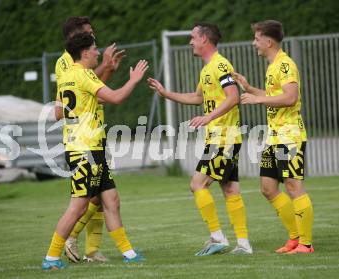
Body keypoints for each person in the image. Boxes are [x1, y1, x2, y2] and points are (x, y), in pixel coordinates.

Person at [42, 32, 148, 270]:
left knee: (111, 199)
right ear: (85, 52)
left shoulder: (66, 77)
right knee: (78, 205)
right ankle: (51, 257)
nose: (98, 52)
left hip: (88, 148)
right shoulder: (83, 74)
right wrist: (133, 80)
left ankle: (129, 253)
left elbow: (59, 113)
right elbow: (116, 98)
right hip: (84, 150)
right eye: (95, 48)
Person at [148, 22, 252, 255]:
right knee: (230, 189)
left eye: (193, 37)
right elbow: (197, 97)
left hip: (224, 137)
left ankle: (218, 237)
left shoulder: (221, 64)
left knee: (197, 184)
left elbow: (233, 96)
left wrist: (208, 117)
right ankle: (243, 244)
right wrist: (166, 94)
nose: (190, 41)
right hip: (222, 136)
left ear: (205, 39)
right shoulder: (207, 69)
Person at [232, 20, 314, 254]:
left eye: (257, 39)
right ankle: (294, 237)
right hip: (275, 138)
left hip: (290, 137)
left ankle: (305, 244)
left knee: (293, 186)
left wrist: (258, 99)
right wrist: (249, 88)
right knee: (268, 188)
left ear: (268, 41)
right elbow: (273, 95)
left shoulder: (285, 65)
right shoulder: (273, 66)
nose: (254, 43)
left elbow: (290, 97)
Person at [54, 16, 125, 263]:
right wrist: (105, 67)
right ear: (77, 38)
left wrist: (107, 68)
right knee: (89, 199)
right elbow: (65, 107)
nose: (94, 37)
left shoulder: (76, 64)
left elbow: (94, 89)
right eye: (90, 33)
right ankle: (67, 241)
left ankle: (92, 250)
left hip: (96, 135)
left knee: (104, 196)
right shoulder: (65, 64)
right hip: (82, 140)